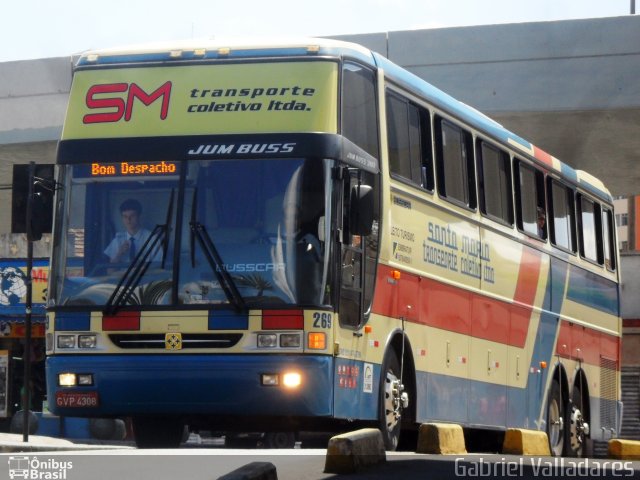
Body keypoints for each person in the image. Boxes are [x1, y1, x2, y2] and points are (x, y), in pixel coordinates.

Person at [104, 199, 152, 263]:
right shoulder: (118, 240)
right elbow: (110, 271)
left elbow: (158, 268)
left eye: (132, 216)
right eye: (125, 216)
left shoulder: (151, 238)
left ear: (139, 216)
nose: (128, 219)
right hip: (123, 273)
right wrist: (119, 254)